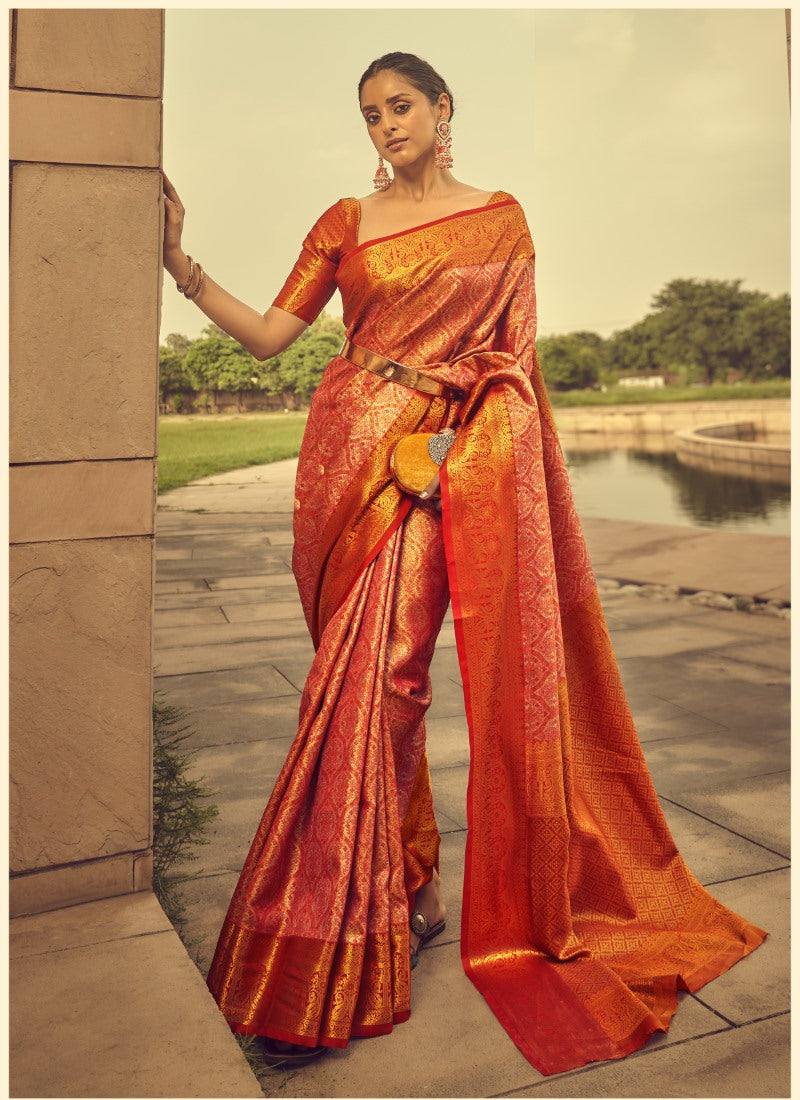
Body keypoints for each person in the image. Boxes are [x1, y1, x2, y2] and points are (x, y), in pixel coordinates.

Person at [161, 51, 767, 1078]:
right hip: (343, 451)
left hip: (437, 463)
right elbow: (271, 338)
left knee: (379, 682)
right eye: (367, 115)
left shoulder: (499, 218)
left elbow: (514, 366)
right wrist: (178, 263)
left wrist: (459, 450)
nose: (383, 126)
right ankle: (415, 885)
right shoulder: (343, 222)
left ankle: (328, 946)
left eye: (399, 106)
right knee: (357, 683)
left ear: (442, 110)